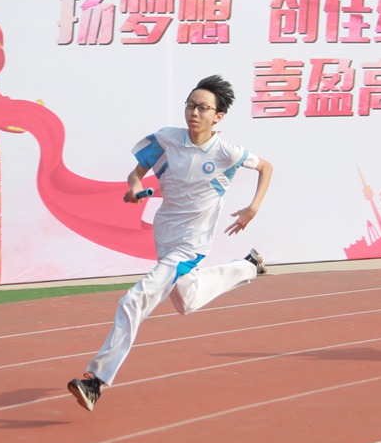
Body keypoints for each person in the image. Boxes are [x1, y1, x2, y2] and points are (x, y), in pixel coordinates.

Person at [68, 74, 273, 410]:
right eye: (191, 105)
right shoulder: (166, 139)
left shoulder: (227, 152)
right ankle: (248, 266)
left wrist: (253, 208)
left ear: (218, 116)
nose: (194, 113)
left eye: (203, 108)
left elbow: (266, 167)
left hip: (190, 245)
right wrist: (135, 187)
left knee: (134, 301)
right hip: (165, 236)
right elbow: (136, 173)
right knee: (187, 301)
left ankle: (96, 381)